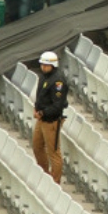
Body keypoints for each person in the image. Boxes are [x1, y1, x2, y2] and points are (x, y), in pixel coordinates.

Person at [32, 50, 69, 182]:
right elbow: (41, 96)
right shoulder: (44, 76)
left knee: (53, 152)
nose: (43, 67)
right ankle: (44, 175)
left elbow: (57, 105)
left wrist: (43, 112)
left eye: (46, 65)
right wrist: (36, 108)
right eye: (42, 65)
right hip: (41, 118)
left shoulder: (58, 81)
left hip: (51, 121)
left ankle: (55, 181)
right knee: (37, 146)